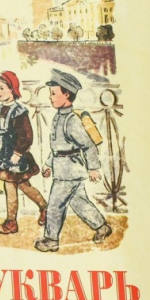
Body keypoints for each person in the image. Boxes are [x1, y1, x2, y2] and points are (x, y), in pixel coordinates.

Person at [34, 69, 112, 252]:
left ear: (67, 94)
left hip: (69, 172)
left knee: (55, 206)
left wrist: (93, 168)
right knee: (79, 202)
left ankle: (51, 240)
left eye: (54, 93)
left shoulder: (71, 120)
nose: (50, 97)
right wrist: (48, 164)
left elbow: (88, 145)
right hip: (64, 169)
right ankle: (102, 227)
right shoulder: (59, 117)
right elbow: (57, 148)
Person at [0, 70, 47, 235]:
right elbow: (1, 132)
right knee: (23, 186)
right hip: (4, 156)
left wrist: (18, 153)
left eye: (2, 88)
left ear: (12, 89)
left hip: (17, 157)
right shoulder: (1, 110)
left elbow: (27, 136)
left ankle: (11, 222)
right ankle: (45, 208)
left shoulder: (19, 112)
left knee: (12, 186)